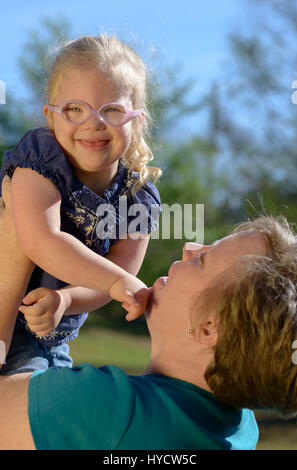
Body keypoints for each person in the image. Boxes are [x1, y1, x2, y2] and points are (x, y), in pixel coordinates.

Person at [1, 180, 297, 450]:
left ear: (209, 328)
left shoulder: (111, 410)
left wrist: (15, 241)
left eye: (204, 260)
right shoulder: (239, 428)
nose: (189, 247)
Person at [0, 34, 161, 374]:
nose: (93, 122)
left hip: (51, 336)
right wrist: (117, 282)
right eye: (75, 109)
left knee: (61, 404)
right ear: (51, 115)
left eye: (112, 110)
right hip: (5, 313)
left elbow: (120, 272)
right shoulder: (40, 159)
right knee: (30, 402)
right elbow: (40, 239)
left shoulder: (138, 197)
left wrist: (67, 298)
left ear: (137, 119)